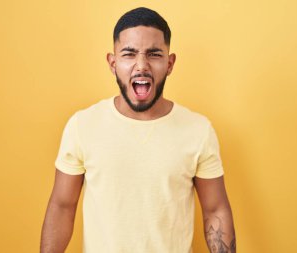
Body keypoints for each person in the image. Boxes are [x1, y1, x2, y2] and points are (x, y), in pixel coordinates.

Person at [40, 7, 236, 253]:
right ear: (113, 63)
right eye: (129, 54)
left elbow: (215, 209)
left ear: (170, 63)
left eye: (154, 54)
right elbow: (62, 206)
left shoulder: (198, 130)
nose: (141, 66)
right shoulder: (83, 125)